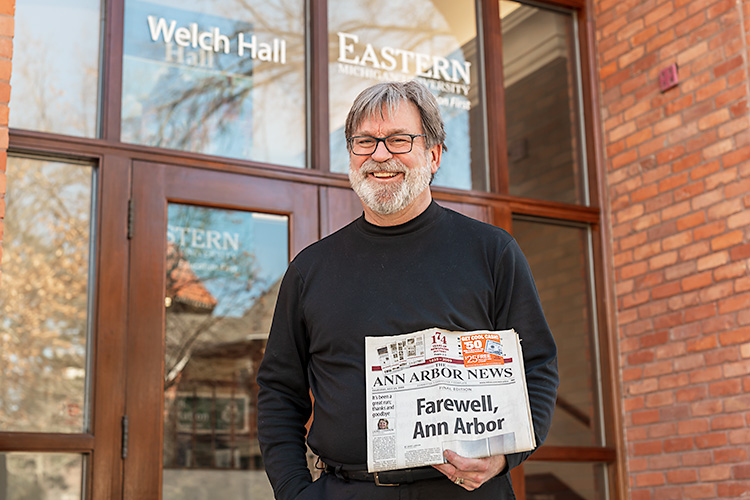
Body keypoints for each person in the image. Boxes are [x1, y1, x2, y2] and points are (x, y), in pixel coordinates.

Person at [257, 80, 558, 499]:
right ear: (351, 155)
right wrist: (293, 491)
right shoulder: (311, 269)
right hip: (347, 489)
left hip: (466, 491)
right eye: (365, 141)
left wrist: (508, 457)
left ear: (433, 155)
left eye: (399, 140)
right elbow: (278, 392)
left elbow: (537, 365)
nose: (380, 154)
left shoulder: (491, 253)